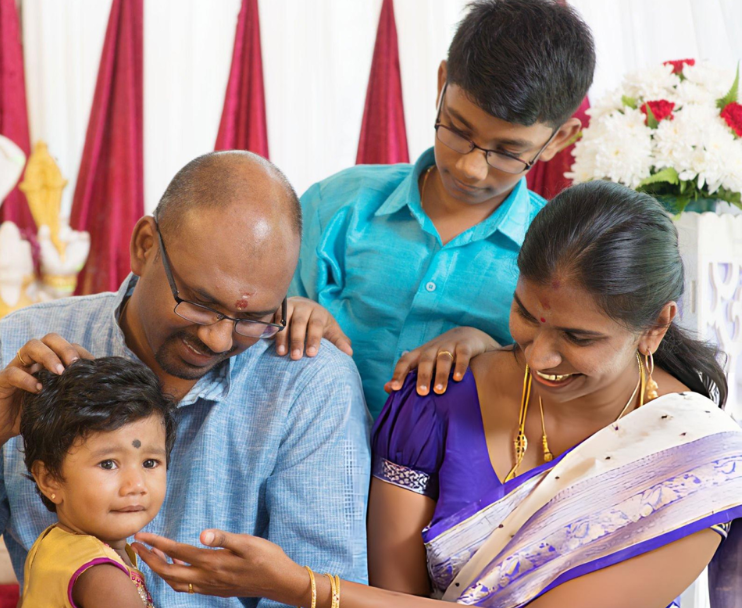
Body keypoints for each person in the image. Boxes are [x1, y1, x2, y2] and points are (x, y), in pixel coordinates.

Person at [131, 182, 742, 608]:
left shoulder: (697, 461)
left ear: (656, 327)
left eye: (579, 338)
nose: (539, 354)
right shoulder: (434, 398)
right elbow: (396, 595)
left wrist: (303, 587)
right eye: (526, 315)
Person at [0, 151, 373, 608]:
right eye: (199, 302)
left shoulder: (309, 384)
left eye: (253, 318)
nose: (220, 339)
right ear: (144, 246)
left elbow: (317, 594)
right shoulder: (23, 348)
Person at [282, 0, 596, 419]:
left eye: (506, 151)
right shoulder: (336, 205)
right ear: (442, 82)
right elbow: (249, 335)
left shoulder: (559, 257)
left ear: (558, 139)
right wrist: (284, 314)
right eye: (457, 130)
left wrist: (490, 351)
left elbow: (564, 398)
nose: (469, 167)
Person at [18, 357, 176, 608]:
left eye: (149, 463)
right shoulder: (104, 578)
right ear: (50, 480)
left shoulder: (56, 542)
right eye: (108, 464)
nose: (136, 485)